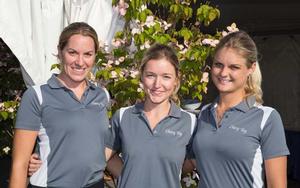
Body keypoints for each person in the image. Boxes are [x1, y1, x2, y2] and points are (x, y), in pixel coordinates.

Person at [9, 22, 111, 188]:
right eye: (72, 52)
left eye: (87, 54)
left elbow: (99, 147)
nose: (80, 61)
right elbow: (19, 165)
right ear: (60, 52)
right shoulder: (37, 96)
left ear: (94, 56)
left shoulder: (101, 95)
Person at [187, 30, 290, 188]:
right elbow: (189, 163)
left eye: (234, 67)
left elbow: (278, 185)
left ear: (251, 68)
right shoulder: (203, 114)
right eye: (218, 65)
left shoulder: (267, 118)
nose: (223, 73)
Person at [105, 43, 197, 188]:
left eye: (166, 77)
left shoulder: (189, 122)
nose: (157, 84)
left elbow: (190, 163)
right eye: (150, 75)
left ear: (176, 81)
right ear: (141, 77)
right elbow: (107, 157)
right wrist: (128, 176)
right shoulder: (123, 116)